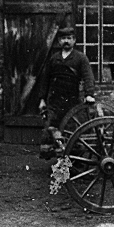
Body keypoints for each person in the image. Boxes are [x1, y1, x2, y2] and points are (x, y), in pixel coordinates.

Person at [38, 27, 96, 159]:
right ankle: (58, 159)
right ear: (59, 41)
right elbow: (45, 80)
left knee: (72, 132)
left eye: (69, 38)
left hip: (72, 102)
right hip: (55, 102)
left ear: (74, 40)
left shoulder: (80, 58)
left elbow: (88, 77)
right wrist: (42, 99)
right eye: (63, 38)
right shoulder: (54, 59)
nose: (66, 41)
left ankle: (74, 161)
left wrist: (89, 94)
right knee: (53, 131)